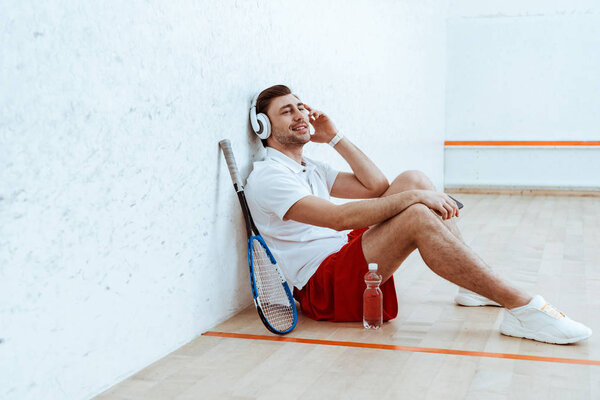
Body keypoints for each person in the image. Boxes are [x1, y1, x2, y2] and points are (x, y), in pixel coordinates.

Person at [244, 84, 592, 344]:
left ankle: (473, 288)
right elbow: (339, 219)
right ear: (263, 127)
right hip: (325, 285)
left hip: (343, 254)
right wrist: (415, 200)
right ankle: (522, 308)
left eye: (300, 107)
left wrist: (335, 137)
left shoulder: (309, 166)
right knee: (416, 213)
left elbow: (376, 185)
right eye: (287, 112)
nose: (301, 115)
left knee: (414, 178)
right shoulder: (269, 177)